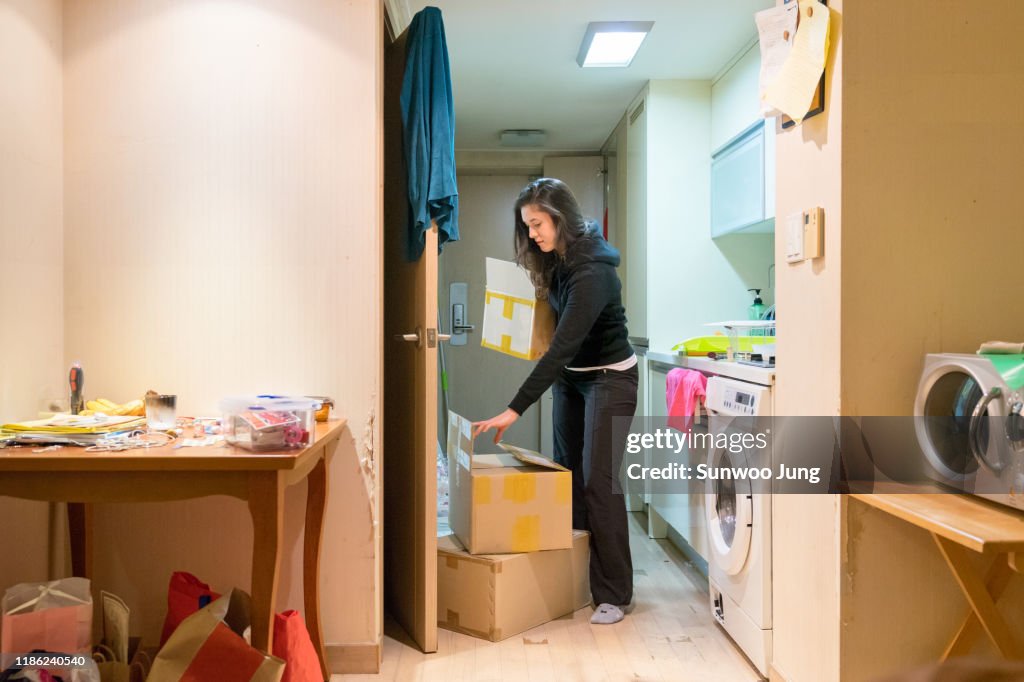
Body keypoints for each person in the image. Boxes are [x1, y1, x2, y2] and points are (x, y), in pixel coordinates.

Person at [473, 177, 638, 625]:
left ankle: (614, 593)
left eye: (537, 224)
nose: (532, 235)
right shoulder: (556, 259)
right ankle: (579, 579)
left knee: (598, 483)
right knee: (568, 475)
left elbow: (563, 345)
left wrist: (515, 407)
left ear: (560, 218)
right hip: (572, 379)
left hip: (610, 380)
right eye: (527, 226)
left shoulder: (592, 271)